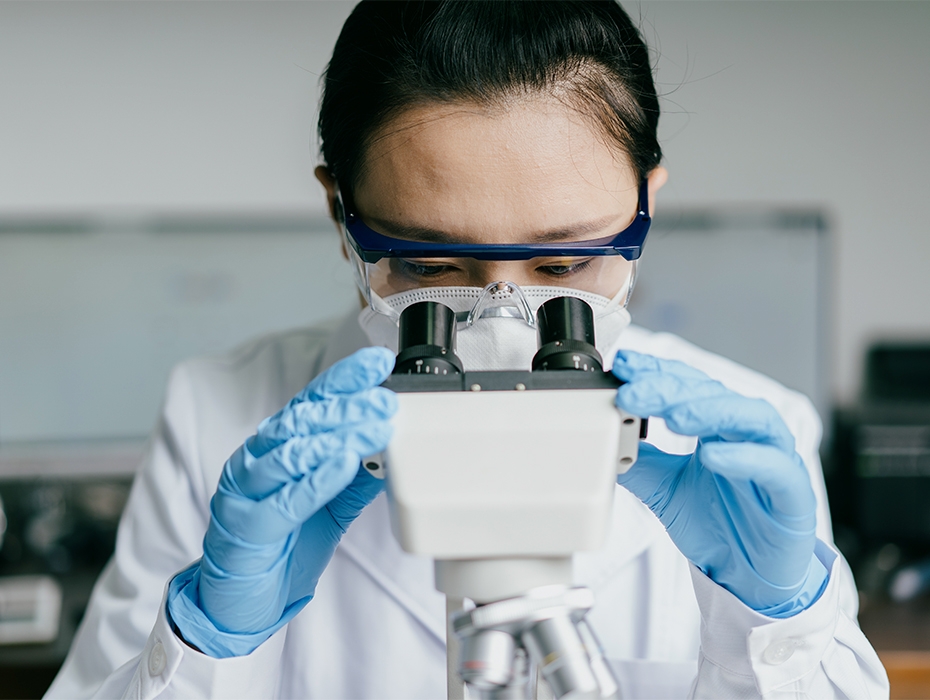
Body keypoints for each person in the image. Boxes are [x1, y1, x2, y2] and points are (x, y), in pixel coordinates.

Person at [46, 2, 888, 698]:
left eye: (562, 264)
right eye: (427, 265)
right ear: (341, 213)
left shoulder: (752, 436)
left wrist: (777, 623)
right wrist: (210, 643)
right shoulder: (217, 415)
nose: (501, 323)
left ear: (644, 205)